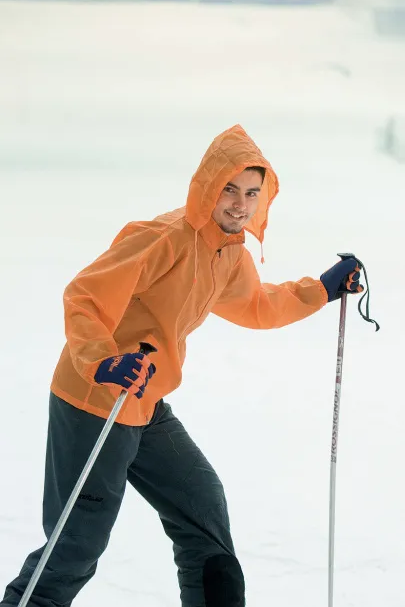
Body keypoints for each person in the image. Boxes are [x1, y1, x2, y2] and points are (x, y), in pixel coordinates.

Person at [0, 124, 363, 607]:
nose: (240, 204)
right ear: (208, 187)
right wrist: (104, 361)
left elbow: (257, 305)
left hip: (145, 402)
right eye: (229, 189)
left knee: (201, 505)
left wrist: (321, 288)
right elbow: (84, 295)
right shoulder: (162, 238)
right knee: (77, 542)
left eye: (251, 194)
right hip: (95, 401)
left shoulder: (228, 254)